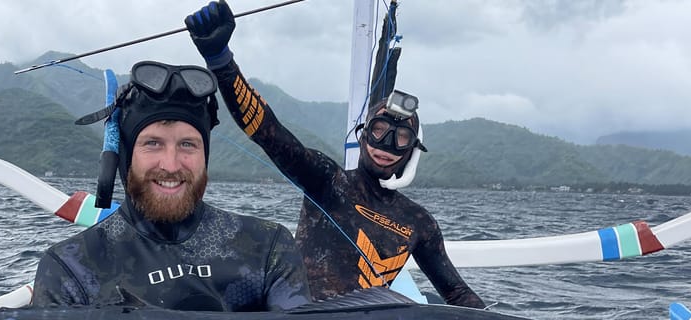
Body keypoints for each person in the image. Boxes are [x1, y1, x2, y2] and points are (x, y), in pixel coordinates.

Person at [184, 0, 486, 308]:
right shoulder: (328, 180)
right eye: (380, 131)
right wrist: (221, 61)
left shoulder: (420, 222)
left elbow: (458, 293)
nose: (386, 146)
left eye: (401, 138)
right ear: (364, 132)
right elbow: (268, 132)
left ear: (412, 150)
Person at [30, 60, 311, 311]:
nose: (171, 165)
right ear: (125, 157)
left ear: (205, 155)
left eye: (187, 144)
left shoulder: (267, 246)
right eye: (153, 143)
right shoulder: (72, 267)